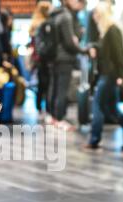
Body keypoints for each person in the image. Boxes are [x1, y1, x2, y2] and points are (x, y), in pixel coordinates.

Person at [84, 2, 123, 151]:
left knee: (97, 105)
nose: (94, 17)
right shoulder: (106, 31)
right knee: (112, 109)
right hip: (108, 74)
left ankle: (95, 139)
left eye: (96, 14)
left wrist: (121, 75)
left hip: (110, 75)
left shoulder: (113, 30)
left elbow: (119, 54)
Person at [49, 0, 89, 131]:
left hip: (55, 57)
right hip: (64, 58)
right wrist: (83, 49)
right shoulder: (66, 16)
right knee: (62, 90)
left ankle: (54, 117)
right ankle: (60, 119)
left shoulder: (56, 14)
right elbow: (70, 42)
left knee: (54, 88)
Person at [29, 0, 53, 120]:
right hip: (44, 57)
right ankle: (46, 109)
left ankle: (38, 107)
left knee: (40, 84)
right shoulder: (45, 23)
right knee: (47, 84)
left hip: (36, 57)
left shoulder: (34, 23)